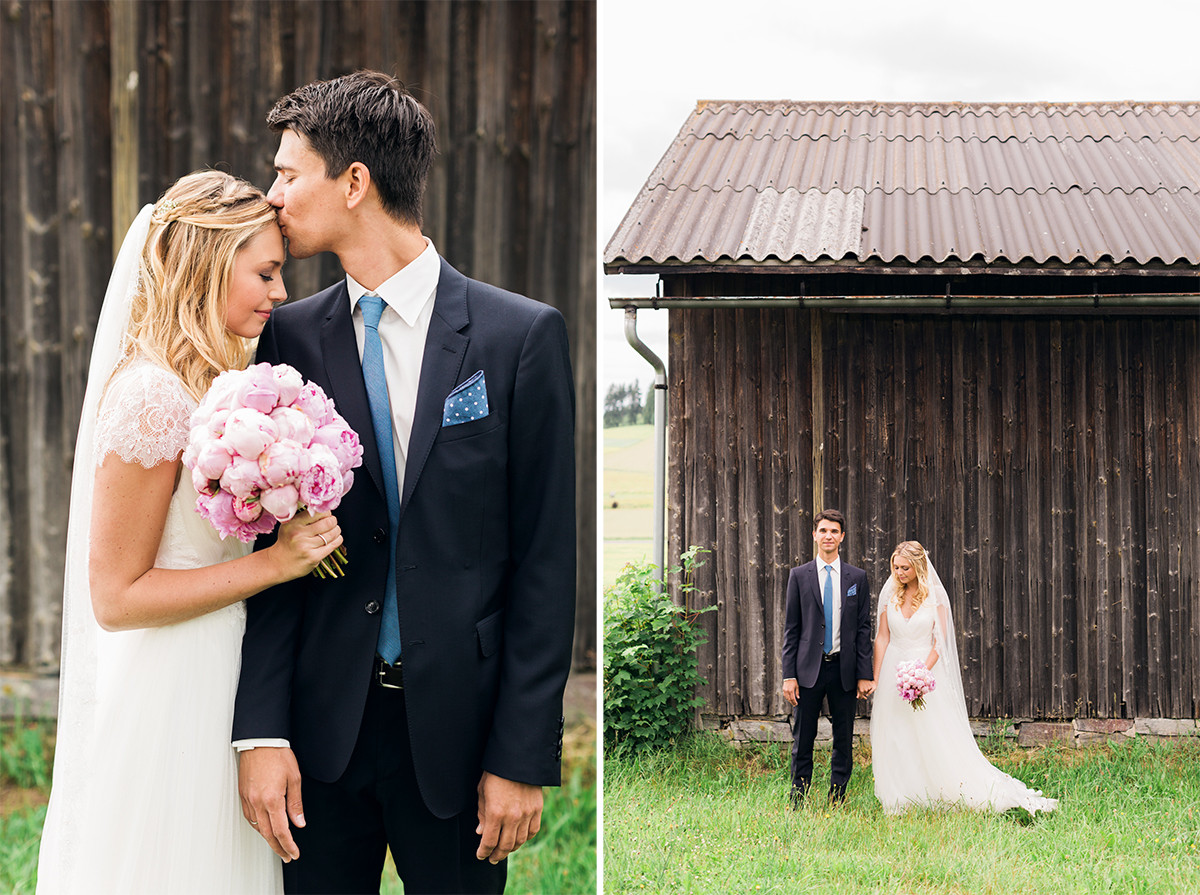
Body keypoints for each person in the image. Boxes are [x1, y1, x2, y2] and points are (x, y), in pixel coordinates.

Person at [232, 71, 576, 894]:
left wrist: (520, 754)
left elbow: (544, 558)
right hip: (321, 739)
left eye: (289, 172)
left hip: (460, 740)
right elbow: (271, 551)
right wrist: (260, 734)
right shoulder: (286, 338)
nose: (273, 194)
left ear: (354, 183)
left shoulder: (519, 338)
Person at [36, 171, 343, 894]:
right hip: (175, 687)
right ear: (205, 263)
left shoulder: (220, 387)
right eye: (265, 272)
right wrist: (279, 563)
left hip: (234, 680)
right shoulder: (150, 396)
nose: (279, 294)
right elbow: (115, 595)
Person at [870, 540, 1058, 815]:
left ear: (919, 566)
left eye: (905, 568)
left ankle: (943, 789)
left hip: (926, 673)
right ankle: (902, 796)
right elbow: (883, 637)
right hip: (893, 672)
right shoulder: (890, 595)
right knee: (897, 733)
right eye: (895, 567)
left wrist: (922, 673)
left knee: (932, 733)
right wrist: (876, 678)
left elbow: (940, 642)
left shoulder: (935, 597)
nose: (898, 573)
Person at [781, 509, 874, 806]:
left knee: (843, 739)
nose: (828, 536)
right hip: (809, 669)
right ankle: (798, 799)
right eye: (823, 531)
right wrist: (788, 674)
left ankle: (838, 799)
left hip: (843, 670)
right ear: (814, 535)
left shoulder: (856, 577)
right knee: (803, 739)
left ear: (842, 537)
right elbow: (791, 629)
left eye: (834, 531)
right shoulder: (799, 576)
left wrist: (864, 674)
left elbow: (863, 629)